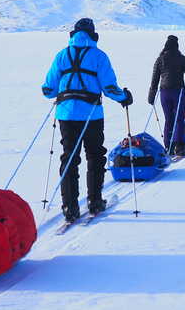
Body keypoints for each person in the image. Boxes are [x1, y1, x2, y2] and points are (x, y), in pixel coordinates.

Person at [42, 18, 133, 222]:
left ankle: (69, 207)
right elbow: (109, 87)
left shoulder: (62, 55)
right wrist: (124, 97)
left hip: (65, 114)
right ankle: (94, 201)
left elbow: (48, 89)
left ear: (73, 34)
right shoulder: (99, 56)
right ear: (93, 35)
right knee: (95, 155)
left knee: (69, 157)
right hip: (91, 114)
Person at [147, 35, 185, 156]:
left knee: (168, 119)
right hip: (179, 92)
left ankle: (168, 146)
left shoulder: (160, 59)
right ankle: (180, 146)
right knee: (179, 119)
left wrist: (151, 95)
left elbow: (154, 79)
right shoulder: (182, 59)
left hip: (164, 93)